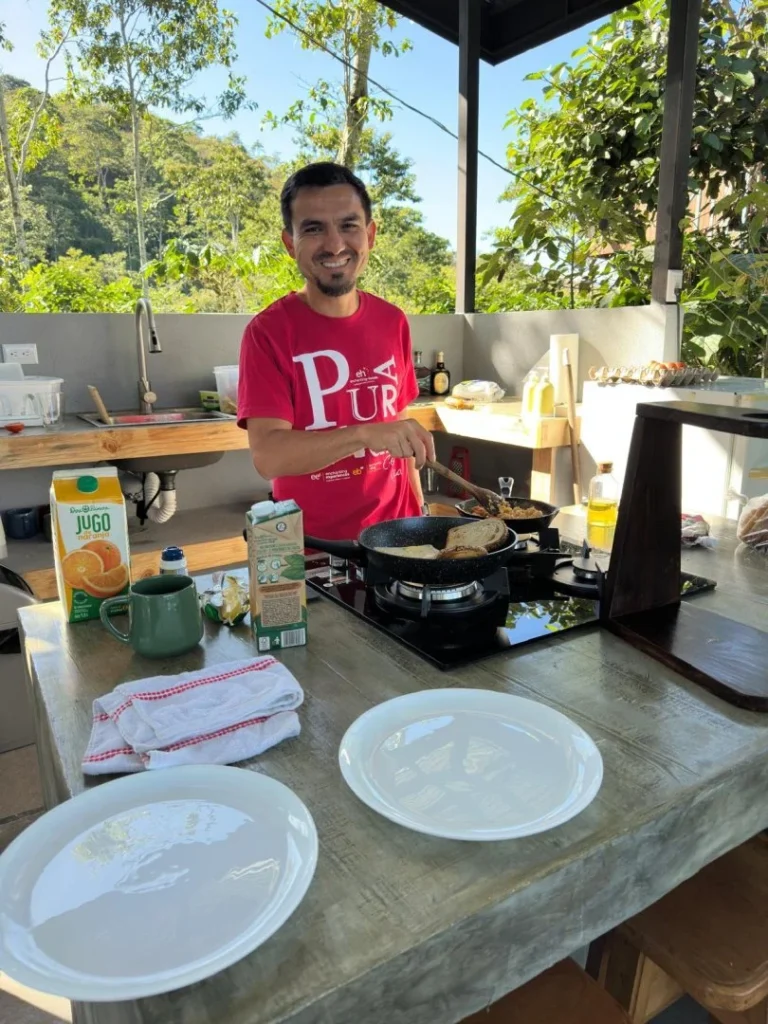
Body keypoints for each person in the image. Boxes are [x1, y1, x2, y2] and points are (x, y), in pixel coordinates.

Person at [237, 161, 436, 539]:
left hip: (399, 539)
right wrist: (363, 434)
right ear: (289, 243)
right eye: (314, 229)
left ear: (370, 235)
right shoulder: (268, 333)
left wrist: (421, 514)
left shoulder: (393, 321)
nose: (335, 245)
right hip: (315, 550)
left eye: (348, 225)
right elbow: (268, 457)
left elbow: (400, 430)